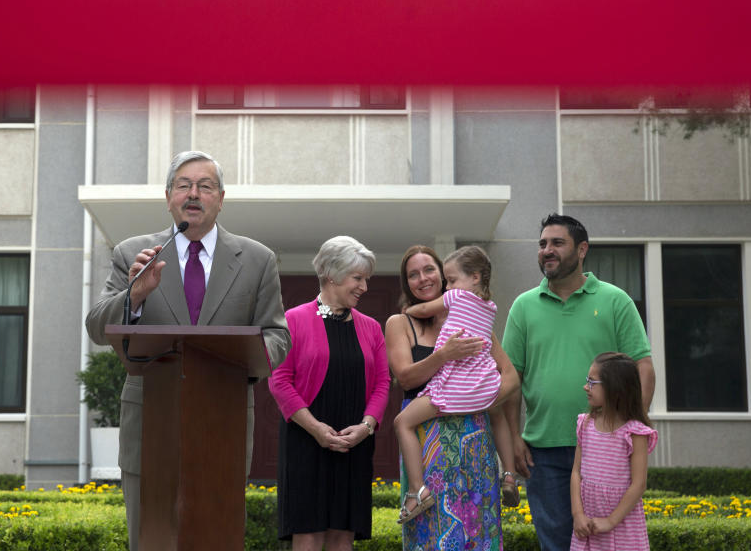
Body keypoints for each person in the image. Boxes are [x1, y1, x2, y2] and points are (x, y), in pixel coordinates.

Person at [85, 150, 291, 551]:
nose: (193, 194)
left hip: (224, 422)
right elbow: (97, 326)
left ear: (221, 197)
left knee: (215, 539)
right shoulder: (133, 254)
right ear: (168, 197)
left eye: (205, 186)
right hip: (150, 423)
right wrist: (136, 294)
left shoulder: (257, 259)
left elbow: (277, 336)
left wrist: (243, 357)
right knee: (152, 540)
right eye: (184, 185)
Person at [502, 214, 655, 551]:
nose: (547, 250)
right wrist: (513, 437)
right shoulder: (523, 307)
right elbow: (510, 380)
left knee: (607, 540)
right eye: (542, 244)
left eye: (557, 243)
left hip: (607, 449)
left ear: (582, 249)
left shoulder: (615, 300)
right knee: (555, 543)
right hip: (544, 450)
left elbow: (643, 367)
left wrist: (630, 428)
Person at [384, 245, 519, 551]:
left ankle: (507, 477)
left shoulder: (472, 317)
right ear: (407, 283)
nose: (423, 279)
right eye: (413, 274)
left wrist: (482, 399)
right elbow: (405, 377)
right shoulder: (400, 322)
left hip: (473, 438)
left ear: (444, 277)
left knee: (477, 527)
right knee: (432, 533)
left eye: (429, 270)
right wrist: (444, 355)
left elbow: (510, 376)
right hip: (427, 441)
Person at [268, 236, 390, 551]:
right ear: (332, 275)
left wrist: (366, 427)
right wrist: (316, 429)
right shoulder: (293, 320)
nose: (364, 286)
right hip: (305, 441)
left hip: (354, 443)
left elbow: (382, 383)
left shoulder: (372, 328)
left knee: (343, 534)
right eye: (357, 278)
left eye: (366, 279)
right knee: (307, 534)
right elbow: (279, 381)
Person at [571, 352, 657, 550]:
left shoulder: (634, 432)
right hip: (587, 526)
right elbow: (576, 473)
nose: (586, 387)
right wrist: (578, 515)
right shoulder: (585, 424)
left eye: (592, 382)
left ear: (614, 387)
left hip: (622, 526)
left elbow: (639, 484)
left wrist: (610, 521)